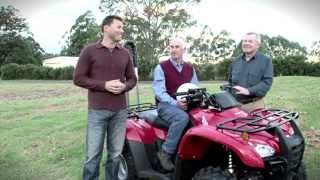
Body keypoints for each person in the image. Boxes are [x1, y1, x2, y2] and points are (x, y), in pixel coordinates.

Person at [73, 15, 137, 180]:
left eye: (122, 27)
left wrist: (124, 86)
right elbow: (78, 78)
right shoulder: (89, 51)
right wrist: (104, 85)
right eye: (119, 27)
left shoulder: (125, 53)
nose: (122, 30)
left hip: (120, 112)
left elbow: (132, 79)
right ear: (106, 28)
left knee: (115, 155)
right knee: (92, 156)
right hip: (97, 112)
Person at [152, 37, 199, 171]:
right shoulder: (161, 67)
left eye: (176, 47)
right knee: (182, 118)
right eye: (171, 47)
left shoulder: (190, 68)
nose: (173, 50)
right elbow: (159, 93)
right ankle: (166, 152)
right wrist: (175, 103)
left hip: (187, 104)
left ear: (184, 49)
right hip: (166, 105)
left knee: (201, 117)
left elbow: (195, 87)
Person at [228, 32, 273, 112]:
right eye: (244, 41)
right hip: (234, 105)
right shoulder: (235, 61)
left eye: (250, 41)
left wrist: (249, 91)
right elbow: (230, 82)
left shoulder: (265, 60)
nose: (246, 43)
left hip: (254, 106)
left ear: (257, 45)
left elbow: (267, 82)